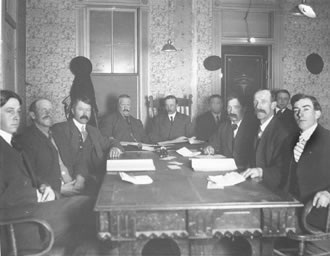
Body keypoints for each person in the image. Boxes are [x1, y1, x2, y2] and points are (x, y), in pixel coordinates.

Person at [0, 90, 93, 254]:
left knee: (91, 231)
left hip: (40, 203)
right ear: (33, 115)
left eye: (17, 112)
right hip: (20, 220)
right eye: (9, 111)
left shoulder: (13, 142)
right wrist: (41, 193)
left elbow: (30, 175)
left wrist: (43, 186)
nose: (15, 116)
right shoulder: (24, 140)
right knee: (88, 206)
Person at [17, 98, 88, 197]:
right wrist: (58, 189)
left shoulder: (59, 133)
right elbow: (29, 174)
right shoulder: (26, 139)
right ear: (33, 115)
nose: (48, 113)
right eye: (43, 110)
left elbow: (79, 158)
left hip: (75, 188)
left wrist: (80, 178)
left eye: (50, 110)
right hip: (53, 195)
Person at [52, 96, 123, 192]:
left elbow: (110, 141)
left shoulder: (93, 130)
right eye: (81, 109)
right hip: (71, 183)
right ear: (72, 111)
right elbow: (64, 160)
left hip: (94, 180)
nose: (85, 114)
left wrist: (115, 148)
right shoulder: (61, 129)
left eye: (88, 110)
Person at [287, 95, 330, 232]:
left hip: (315, 210)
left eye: (306, 109)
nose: (300, 114)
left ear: (317, 113)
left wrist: (328, 193)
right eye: (296, 110)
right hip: (290, 206)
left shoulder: (328, 139)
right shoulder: (291, 139)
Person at [242, 89, 289, 189]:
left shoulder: (282, 133)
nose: (258, 107)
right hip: (254, 186)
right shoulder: (254, 127)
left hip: (272, 191)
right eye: (255, 102)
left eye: (263, 102)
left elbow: (283, 170)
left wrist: (261, 171)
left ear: (273, 105)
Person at [204, 94, 258, 170]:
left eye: (236, 107)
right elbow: (212, 142)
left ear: (243, 109)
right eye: (229, 107)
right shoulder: (223, 126)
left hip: (245, 172)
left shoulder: (252, 128)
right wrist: (210, 147)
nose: (231, 111)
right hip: (224, 170)